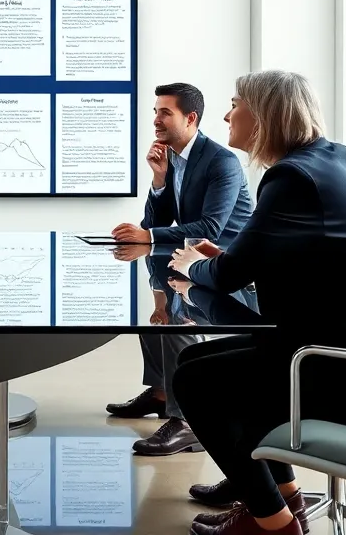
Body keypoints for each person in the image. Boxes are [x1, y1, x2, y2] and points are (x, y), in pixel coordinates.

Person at [166, 70, 346, 535]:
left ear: (264, 116)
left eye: (235, 103)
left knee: (197, 380)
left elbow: (226, 277)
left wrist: (191, 267)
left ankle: (272, 525)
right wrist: (226, 258)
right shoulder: (329, 161)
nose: (226, 114)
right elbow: (279, 255)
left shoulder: (293, 178)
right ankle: (282, 498)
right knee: (200, 356)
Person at [105, 83, 253, 456]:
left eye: (164, 112)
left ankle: (186, 420)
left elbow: (210, 229)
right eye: (155, 111)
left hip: (230, 265)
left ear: (191, 118)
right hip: (191, 258)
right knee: (155, 288)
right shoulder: (174, 159)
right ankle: (160, 393)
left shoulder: (221, 162)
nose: (155, 119)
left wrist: (149, 234)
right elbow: (157, 222)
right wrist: (158, 180)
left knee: (175, 309)